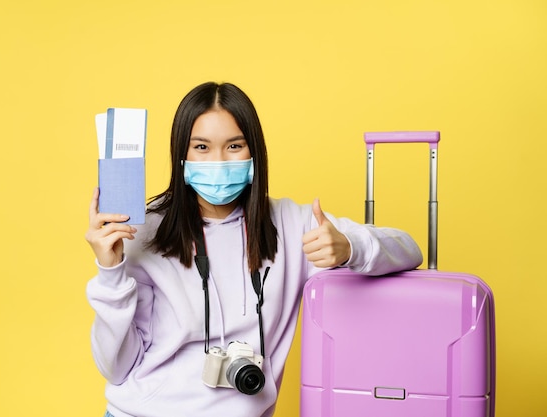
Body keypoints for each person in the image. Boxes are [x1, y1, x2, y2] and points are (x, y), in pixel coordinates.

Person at [85, 81, 423, 417]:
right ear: (182, 156)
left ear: (253, 152)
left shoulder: (294, 224)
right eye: (201, 147)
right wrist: (111, 273)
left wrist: (351, 247)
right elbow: (116, 367)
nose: (218, 160)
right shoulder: (144, 231)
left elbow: (409, 249)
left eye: (234, 146)